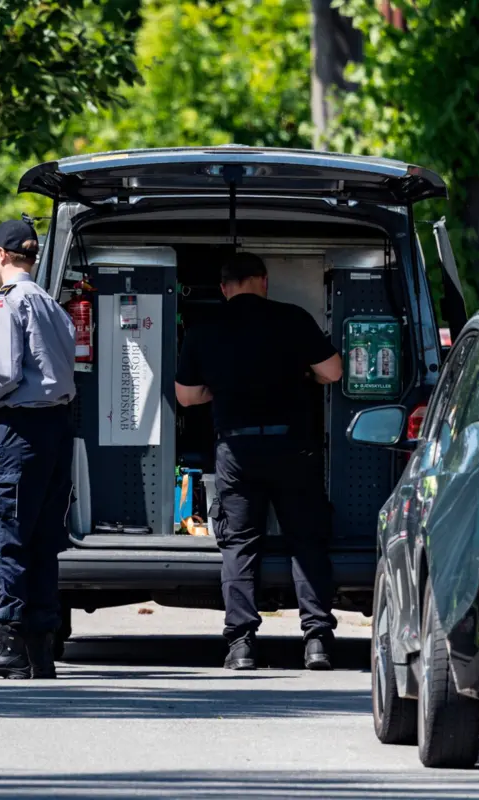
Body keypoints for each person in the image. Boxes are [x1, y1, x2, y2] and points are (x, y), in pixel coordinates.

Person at [174, 252, 342, 671]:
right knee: (306, 541)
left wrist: (220, 390)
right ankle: (317, 640)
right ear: (263, 281)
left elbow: (186, 396)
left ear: (225, 286)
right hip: (292, 448)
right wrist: (306, 375)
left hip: (237, 450)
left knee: (240, 545)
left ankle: (242, 645)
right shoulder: (293, 318)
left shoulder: (203, 330)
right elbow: (335, 371)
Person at [0, 219, 76, 681]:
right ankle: (38, 650)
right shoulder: (49, 303)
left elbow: (2, 372)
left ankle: (6, 643)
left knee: (2, 533)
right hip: (55, 428)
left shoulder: (6, 302)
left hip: (18, 430)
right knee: (42, 538)